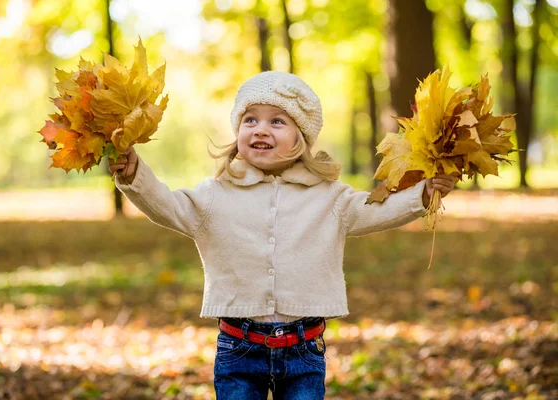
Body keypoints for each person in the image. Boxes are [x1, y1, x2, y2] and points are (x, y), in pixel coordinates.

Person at [108, 71, 456, 400]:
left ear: (300, 136)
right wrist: (134, 174)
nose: (261, 129)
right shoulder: (215, 195)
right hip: (238, 349)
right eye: (250, 119)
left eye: (277, 121)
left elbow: (375, 210)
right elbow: (166, 205)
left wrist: (423, 194)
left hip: (303, 350)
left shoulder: (328, 196)